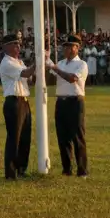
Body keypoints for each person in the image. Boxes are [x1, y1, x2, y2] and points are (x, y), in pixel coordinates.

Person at [48, 33, 89, 178]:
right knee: (63, 137)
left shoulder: (81, 64)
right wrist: (46, 63)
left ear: (76, 48)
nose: (66, 49)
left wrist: (55, 68)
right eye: (64, 47)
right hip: (61, 102)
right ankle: (67, 169)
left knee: (77, 137)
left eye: (69, 46)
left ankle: (82, 170)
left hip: (75, 102)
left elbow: (72, 78)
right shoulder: (61, 63)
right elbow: (51, 78)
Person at [0, 32, 37, 180]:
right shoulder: (7, 63)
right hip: (13, 102)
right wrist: (38, 62)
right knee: (14, 138)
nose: (18, 46)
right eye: (15, 44)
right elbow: (26, 74)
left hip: (24, 101)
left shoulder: (19, 62)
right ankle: (11, 172)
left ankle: (22, 168)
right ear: (6, 46)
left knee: (25, 138)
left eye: (19, 44)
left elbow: (30, 80)